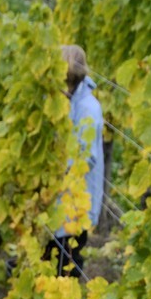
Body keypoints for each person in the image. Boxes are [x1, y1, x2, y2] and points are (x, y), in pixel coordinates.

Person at [46, 45, 104, 280]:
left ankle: (66, 297)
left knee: (67, 258)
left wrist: (55, 168)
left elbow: (86, 158)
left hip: (76, 200)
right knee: (50, 255)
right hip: (57, 197)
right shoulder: (64, 99)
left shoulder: (89, 109)